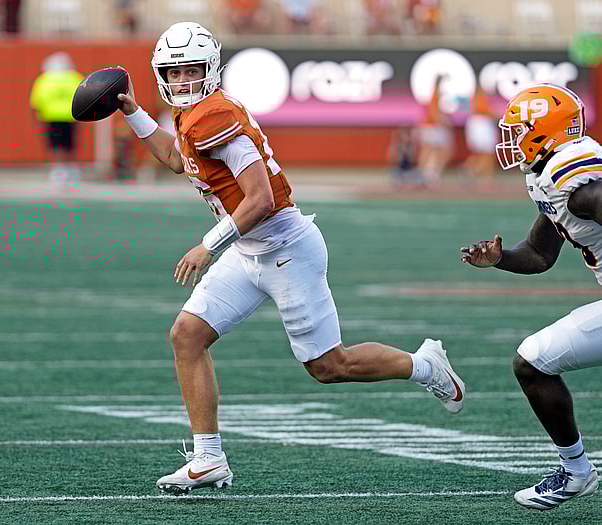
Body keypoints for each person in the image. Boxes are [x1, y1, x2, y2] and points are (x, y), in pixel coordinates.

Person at [116, 21, 466, 495]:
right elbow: (179, 161)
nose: (181, 81)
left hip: (285, 250)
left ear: (211, 68)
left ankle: (426, 365)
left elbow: (260, 199)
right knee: (187, 335)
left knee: (329, 367)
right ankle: (208, 459)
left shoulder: (214, 116)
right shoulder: (193, 114)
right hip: (248, 251)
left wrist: (207, 245)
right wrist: (135, 111)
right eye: (173, 73)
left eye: (190, 70)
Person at [461, 83, 600, 510]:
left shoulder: (575, 178)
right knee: (532, 361)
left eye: (519, 130)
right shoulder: (551, 176)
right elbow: (541, 254)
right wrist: (499, 259)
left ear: (545, 130)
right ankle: (577, 473)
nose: (512, 140)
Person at [29, 52, 84, 186]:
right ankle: (71, 169)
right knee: (70, 144)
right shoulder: (75, 77)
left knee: (56, 146)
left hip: (52, 117)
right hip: (71, 117)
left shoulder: (45, 79)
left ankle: (59, 170)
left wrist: (36, 115)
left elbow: (36, 100)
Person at [462, 87, 497, 189]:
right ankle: (473, 172)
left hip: (478, 124)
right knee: (487, 152)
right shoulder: (479, 95)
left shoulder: (478, 95)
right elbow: (483, 110)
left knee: (483, 153)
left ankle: (479, 174)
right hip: (482, 123)